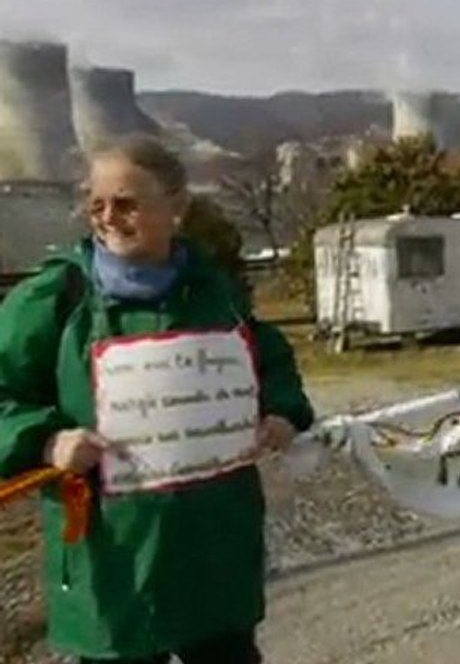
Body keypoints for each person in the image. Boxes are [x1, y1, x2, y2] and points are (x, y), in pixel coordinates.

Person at [0, 135, 314, 663]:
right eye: (97, 205)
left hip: (213, 552)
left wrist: (282, 412)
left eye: (126, 204)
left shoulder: (212, 291)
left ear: (177, 207)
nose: (108, 218)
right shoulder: (55, 300)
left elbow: (271, 361)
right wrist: (48, 441)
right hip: (115, 557)